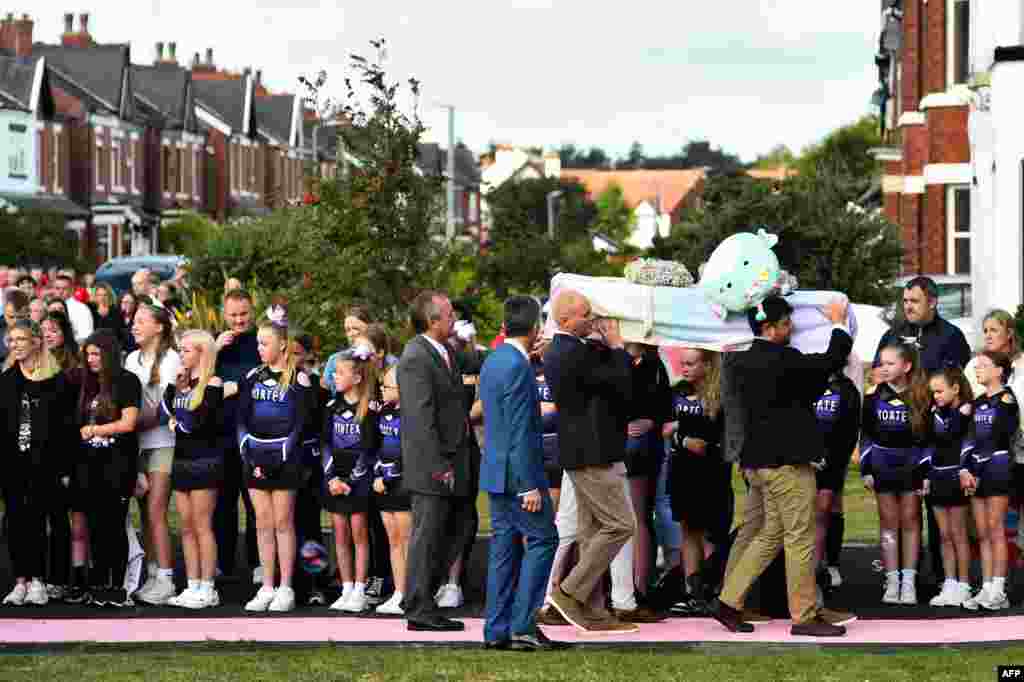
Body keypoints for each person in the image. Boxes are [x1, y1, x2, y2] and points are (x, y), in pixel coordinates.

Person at [710, 295, 852, 637]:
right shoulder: (785, 359)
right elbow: (831, 359)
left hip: (758, 463)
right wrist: (837, 322)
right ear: (769, 328)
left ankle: (728, 601)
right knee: (799, 536)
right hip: (787, 464)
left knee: (770, 534)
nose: (792, 329)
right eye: (786, 324)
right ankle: (804, 616)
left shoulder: (739, 363)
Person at [542, 290, 640, 634]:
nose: (593, 318)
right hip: (593, 454)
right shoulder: (569, 352)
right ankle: (568, 593)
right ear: (565, 320)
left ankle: (593, 610)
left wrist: (605, 347)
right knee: (621, 525)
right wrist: (616, 346)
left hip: (587, 452)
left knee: (592, 531)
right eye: (586, 314)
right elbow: (621, 382)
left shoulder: (573, 349)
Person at [479, 295, 564, 651]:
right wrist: (529, 485)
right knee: (545, 540)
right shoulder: (518, 366)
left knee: (503, 551)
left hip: (497, 473)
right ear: (534, 328)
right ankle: (523, 626)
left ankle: (497, 629)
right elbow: (520, 428)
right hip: (520, 477)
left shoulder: (495, 360)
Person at [876, 276, 972, 583]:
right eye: (905, 301)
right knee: (902, 511)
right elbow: (878, 375)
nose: (908, 306)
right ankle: (905, 576)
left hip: (939, 436)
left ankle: (947, 577)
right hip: (898, 436)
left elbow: (960, 386)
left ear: (933, 302)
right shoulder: (893, 334)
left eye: (914, 301)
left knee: (938, 509)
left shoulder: (951, 336)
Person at [397, 290, 477, 632]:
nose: (453, 319)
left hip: (456, 461)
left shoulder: (445, 350)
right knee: (428, 535)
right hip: (434, 467)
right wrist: (437, 466)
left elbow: (469, 375)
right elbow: (420, 419)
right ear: (431, 321)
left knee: (459, 528)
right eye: (447, 314)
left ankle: (424, 598)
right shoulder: (415, 356)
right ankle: (418, 606)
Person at [0, 320, 76, 606]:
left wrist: (65, 468)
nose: (16, 344)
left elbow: (67, 428)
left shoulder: (56, 382)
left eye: (22, 339)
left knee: (40, 523)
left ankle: (40, 580)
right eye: (12, 340)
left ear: (35, 342)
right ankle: (20, 580)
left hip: (46, 465)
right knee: (16, 522)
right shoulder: (6, 381)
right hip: (12, 464)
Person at [237, 319, 311, 612]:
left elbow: (301, 424)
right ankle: (266, 585)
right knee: (262, 523)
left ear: (282, 344)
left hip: (285, 459)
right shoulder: (252, 376)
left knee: (283, 522)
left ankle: (286, 587)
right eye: (257, 343)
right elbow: (241, 419)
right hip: (255, 457)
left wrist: (280, 455)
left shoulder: (298, 378)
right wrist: (250, 455)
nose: (259, 348)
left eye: (265, 343)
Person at [69, 331, 142, 607]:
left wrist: (95, 430)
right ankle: (98, 583)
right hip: (88, 466)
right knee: (96, 526)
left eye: (97, 354)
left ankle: (118, 585)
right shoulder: (85, 383)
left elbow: (128, 423)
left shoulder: (126, 381)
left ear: (109, 354)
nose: (91, 360)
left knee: (114, 525)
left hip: (118, 464)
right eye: (88, 354)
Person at [663, 349, 731, 614]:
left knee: (712, 532)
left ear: (707, 364)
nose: (685, 369)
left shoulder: (722, 395)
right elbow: (665, 428)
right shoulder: (677, 392)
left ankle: (714, 587)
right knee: (688, 529)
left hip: (712, 472)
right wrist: (682, 438)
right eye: (683, 364)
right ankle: (692, 590)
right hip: (682, 470)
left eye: (691, 364)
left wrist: (681, 434)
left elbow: (708, 442)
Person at [860, 343, 929, 605]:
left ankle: (909, 581)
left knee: (911, 520)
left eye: (891, 363)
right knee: (888, 522)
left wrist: (925, 472)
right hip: (882, 464)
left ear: (906, 366)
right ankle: (892, 579)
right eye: (882, 363)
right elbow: (865, 434)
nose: (884, 368)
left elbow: (927, 438)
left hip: (911, 464)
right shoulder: (873, 396)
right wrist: (867, 469)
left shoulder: (921, 395)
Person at [162, 330, 226, 609]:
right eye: (181, 350)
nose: (182, 355)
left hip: (205, 460)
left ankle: (208, 587)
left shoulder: (213, 382)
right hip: (182, 459)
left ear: (202, 353)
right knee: (186, 526)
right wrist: (177, 387)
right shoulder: (183, 383)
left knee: (202, 525)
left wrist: (181, 417)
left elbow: (200, 422)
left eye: (187, 350)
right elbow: (166, 406)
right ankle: (192, 584)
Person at [125, 304, 181, 606]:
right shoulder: (131, 359)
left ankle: (167, 578)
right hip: (138, 445)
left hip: (164, 443)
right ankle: (151, 573)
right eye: (134, 321)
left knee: (157, 510)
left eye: (141, 321)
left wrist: (134, 420)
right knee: (144, 513)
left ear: (159, 327)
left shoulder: (172, 360)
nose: (134, 326)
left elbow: (169, 405)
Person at [321, 345, 381, 613]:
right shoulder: (332, 406)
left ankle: (360, 587)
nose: (334, 376)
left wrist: (351, 482)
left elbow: (368, 451)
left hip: (359, 482)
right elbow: (324, 445)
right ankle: (345, 588)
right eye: (334, 372)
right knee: (340, 535)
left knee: (359, 534)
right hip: (335, 480)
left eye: (340, 372)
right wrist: (332, 477)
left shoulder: (368, 408)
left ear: (356, 378)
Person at [961, 350, 1019, 610]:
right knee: (982, 532)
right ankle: (985, 587)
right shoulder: (976, 402)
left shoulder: (1006, 400)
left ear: (999, 371)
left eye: (984, 365)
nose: (977, 369)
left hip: (996, 469)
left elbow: (998, 436)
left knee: (995, 529)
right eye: (976, 365)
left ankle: (999, 589)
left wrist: (977, 466)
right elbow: (970, 439)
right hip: (976, 471)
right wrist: (965, 469)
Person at [213, 289, 261, 582]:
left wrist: (236, 386)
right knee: (222, 502)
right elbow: (199, 378)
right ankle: (222, 561)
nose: (239, 320)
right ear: (224, 314)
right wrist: (215, 348)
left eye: (243, 314)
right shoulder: (218, 342)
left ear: (251, 312)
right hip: (222, 434)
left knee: (255, 501)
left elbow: (267, 374)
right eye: (233, 315)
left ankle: (259, 562)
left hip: (255, 434)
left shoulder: (260, 342)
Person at [922, 367, 975, 607]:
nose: (936, 396)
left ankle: (964, 585)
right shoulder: (933, 413)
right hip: (937, 477)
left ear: (955, 388)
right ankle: (950, 583)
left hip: (957, 476)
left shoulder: (966, 412)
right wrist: (926, 475)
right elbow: (929, 444)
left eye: (940, 391)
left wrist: (961, 414)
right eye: (933, 392)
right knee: (944, 535)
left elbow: (965, 442)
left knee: (959, 534)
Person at [812, 371, 861, 593]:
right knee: (807, 514)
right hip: (804, 458)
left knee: (826, 509)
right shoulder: (804, 378)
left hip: (832, 462)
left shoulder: (847, 390)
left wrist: (833, 459)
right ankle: (810, 571)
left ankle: (827, 565)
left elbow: (849, 433)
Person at [373, 364, 412, 615]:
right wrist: (378, 473)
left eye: (387, 386)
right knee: (393, 540)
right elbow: (377, 447)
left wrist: (388, 478)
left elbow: (409, 453)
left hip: (403, 484)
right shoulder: (384, 412)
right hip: (384, 483)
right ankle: (399, 592)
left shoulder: (412, 414)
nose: (382, 390)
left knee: (407, 540)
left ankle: (411, 591)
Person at [53, 274, 93, 345]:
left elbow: (86, 336)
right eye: (57, 288)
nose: (60, 292)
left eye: (64, 288)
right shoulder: (49, 307)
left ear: (71, 289)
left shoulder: (81, 309)